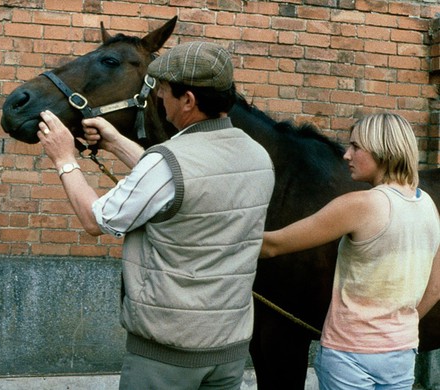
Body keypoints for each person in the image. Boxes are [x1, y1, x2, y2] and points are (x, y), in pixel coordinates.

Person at [37, 41, 275, 389]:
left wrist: (64, 159)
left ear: (189, 101)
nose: (159, 99)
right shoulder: (257, 157)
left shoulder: (167, 162)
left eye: (163, 91)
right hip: (229, 351)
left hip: (167, 356)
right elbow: (187, 186)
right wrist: (115, 141)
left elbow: (95, 219)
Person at [260, 113, 440, 390]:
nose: (346, 155)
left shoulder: (361, 205)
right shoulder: (427, 204)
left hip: (350, 355)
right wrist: (400, 328)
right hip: (401, 354)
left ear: (383, 151)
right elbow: (436, 286)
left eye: (356, 147)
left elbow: (273, 245)